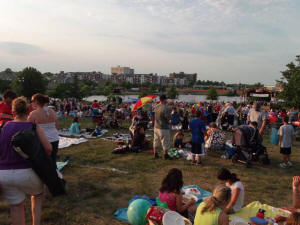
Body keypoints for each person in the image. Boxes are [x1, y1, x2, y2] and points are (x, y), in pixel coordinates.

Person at [0, 97, 52, 225]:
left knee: (16, 207)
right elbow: (48, 148)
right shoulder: (33, 126)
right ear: (28, 110)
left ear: (13, 112)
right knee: (37, 196)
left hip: (4, 174)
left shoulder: (3, 127)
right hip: (28, 172)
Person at [28, 93, 59, 167]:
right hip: (55, 138)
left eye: (32, 101)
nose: (31, 103)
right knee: (53, 160)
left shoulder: (33, 114)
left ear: (36, 101)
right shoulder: (52, 111)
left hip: (42, 140)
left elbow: (28, 128)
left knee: (43, 162)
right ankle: (54, 175)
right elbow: (56, 126)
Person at [153, 95, 171, 159]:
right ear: (164, 100)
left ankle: (155, 153)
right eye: (166, 99)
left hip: (156, 126)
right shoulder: (166, 108)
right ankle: (165, 154)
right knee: (165, 141)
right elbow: (168, 118)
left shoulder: (156, 106)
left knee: (156, 140)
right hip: (163, 127)